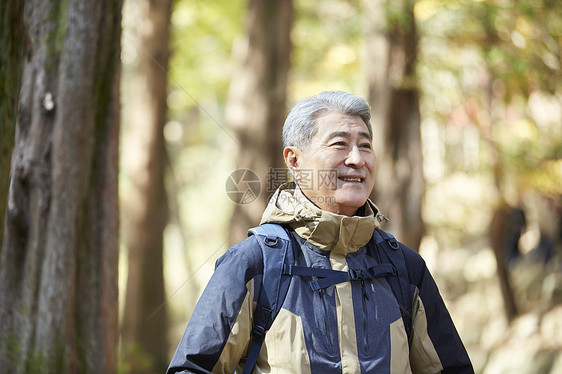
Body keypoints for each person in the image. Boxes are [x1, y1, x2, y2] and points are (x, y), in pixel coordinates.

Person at [167, 91, 474, 373]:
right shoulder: (253, 264)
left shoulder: (406, 268)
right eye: (339, 144)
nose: (357, 159)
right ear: (294, 161)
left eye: (365, 145)